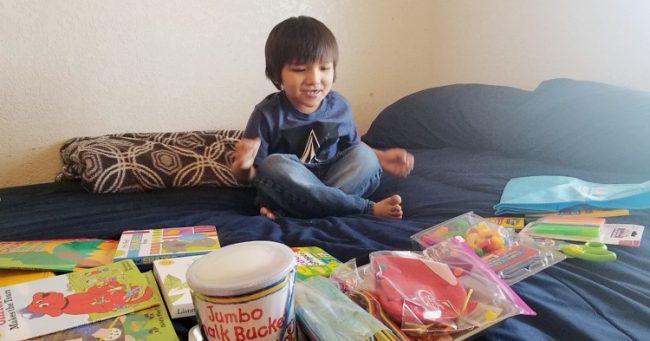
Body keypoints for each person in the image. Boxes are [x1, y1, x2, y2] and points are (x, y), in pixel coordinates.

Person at [232, 16, 414, 219]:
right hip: (291, 182)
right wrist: (242, 166)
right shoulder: (266, 114)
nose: (314, 79)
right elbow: (253, 177)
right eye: (300, 70)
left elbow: (352, 147)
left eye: (324, 68)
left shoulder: (340, 106)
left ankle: (295, 213)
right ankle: (363, 208)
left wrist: (381, 157)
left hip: (331, 177)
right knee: (273, 165)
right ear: (277, 75)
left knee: (365, 156)